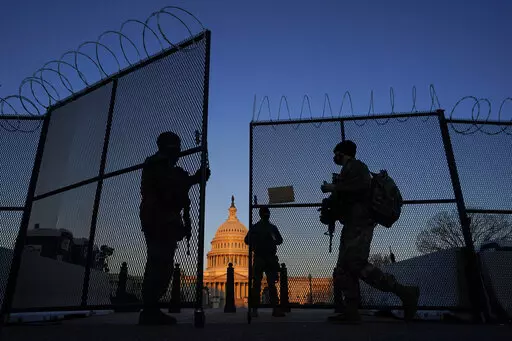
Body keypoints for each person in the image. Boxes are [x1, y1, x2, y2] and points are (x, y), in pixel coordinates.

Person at [321, 140, 419, 323]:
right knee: (343, 269)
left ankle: (405, 292)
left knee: (356, 263)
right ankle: (351, 310)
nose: (334, 157)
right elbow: (346, 198)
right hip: (351, 223)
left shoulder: (358, 166)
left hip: (361, 222)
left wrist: (334, 188)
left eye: (336, 153)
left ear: (343, 153)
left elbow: (363, 187)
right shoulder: (346, 171)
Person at [139, 131, 210, 325]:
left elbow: (175, 184)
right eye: (177, 148)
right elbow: (169, 187)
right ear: (170, 148)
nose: (179, 153)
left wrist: (195, 179)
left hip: (161, 219)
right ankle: (150, 309)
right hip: (158, 219)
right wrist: (193, 179)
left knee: (161, 262)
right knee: (160, 262)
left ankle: (150, 308)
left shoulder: (163, 166)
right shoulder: (158, 164)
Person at [245, 207, 286, 317]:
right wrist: (271, 239)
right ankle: (275, 309)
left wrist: (255, 241)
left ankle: (254, 310)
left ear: (260, 215)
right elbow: (280, 241)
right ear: (268, 215)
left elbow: (246, 240)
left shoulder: (255, 227)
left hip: (259, 258)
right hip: (269, 258)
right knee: (271, 284)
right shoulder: (272, 227)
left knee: (256, 284)